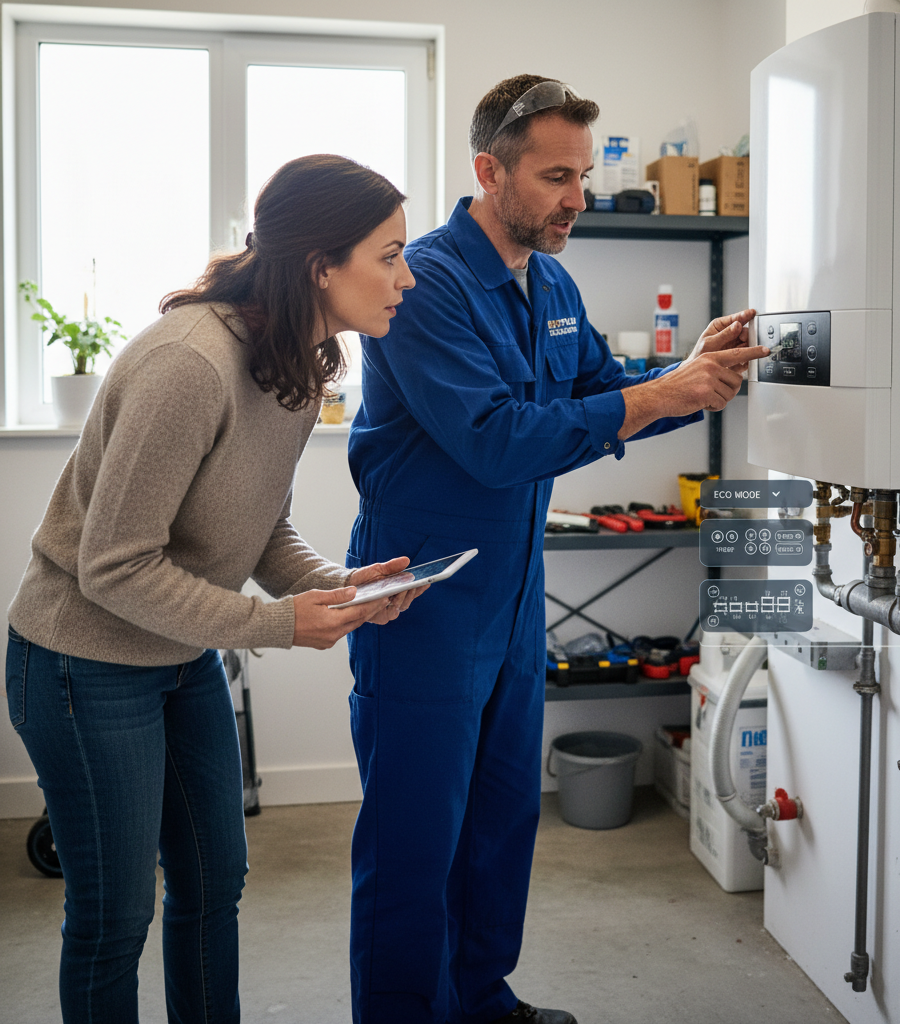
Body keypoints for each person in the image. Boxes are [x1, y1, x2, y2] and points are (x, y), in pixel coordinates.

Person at [344, 76, 768, 1024]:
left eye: (582, 174)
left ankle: (482, 1000)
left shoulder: (554, 277)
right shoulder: (425, 281)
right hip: (420, 594)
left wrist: (684, 374)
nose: (577, 197)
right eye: (555, 176)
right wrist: (658, 397)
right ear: (489, 170)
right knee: (418, 838)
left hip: (513, 590)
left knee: (500, 817)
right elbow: (497, 439)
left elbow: (600, 397)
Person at [4, 154, 421, 1024]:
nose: (405, 278)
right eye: (388, 255)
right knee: (117, 917)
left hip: (180, 655)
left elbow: (257, 525)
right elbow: (112, 565)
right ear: (320, 265)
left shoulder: (299, 363)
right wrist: (276, 624)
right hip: (82, 665)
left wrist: (335, 586)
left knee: (212, 884)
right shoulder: (188, 366)